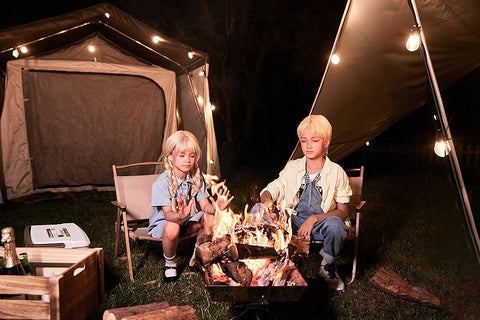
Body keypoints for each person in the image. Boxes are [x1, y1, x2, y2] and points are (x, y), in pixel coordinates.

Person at [257, 115, 352, 291]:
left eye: (314, 140)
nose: (308, 146)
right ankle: (271, 262)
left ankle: (328, 266)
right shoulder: (293, 167)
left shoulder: (337, 172)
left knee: (336, 225)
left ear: (326, 142)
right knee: (258, 209)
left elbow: (343, 211)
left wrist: (315, 218)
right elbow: (272, 188)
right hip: (293, 222)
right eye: (303, 140)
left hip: (321, 223)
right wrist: (267, 201)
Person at [148, 130, 233, 282]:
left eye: (191, 156)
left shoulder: (195, 177)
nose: (187, 160)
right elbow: (169, 216)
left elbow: (205, 205)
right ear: (170, 156)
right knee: (172, 227)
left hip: (187, 220)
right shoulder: (161, 183)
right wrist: (181, 215)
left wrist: (217, 208)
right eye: (182, 155)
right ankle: (170, 264)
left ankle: (197, 255)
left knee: (210, 217)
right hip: (166, 224)